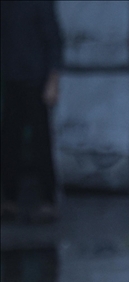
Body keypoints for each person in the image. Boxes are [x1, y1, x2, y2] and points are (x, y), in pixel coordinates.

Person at [1, 0, 63, 223]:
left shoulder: (40, 3)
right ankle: (9, 199)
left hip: (36, 80)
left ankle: (48, 200)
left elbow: (54, 41)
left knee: (41, 142)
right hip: (12, 78)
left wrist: (53, 81)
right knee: (9, 140)